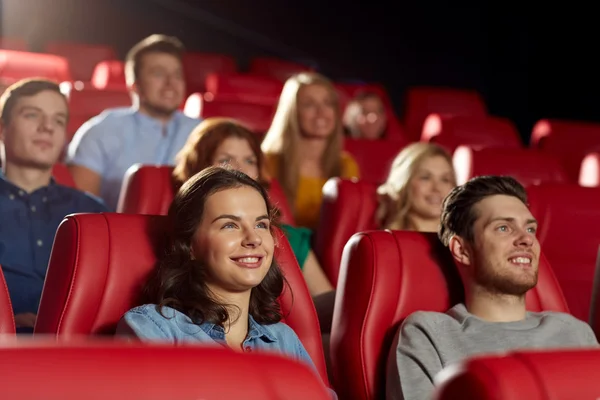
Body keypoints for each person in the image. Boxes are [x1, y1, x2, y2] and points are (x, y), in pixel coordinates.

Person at [116, 167, 335, 397]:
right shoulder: (153, 329)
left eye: (261, 224)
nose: (253, 239)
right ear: (190, 245)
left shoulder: (283, 339)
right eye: (229, 225)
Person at [386, 175, 599, 400]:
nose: (526, 240)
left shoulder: (575, 333)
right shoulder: (428, 334)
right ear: (462, 250)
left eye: (530, 229)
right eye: (504, 228)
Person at [172, 117, 333, 297]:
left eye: (250, 161)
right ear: (199, 167)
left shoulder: (289, 239)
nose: (241, 169)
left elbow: (325, 298)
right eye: (226, 159)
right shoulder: (182, 234)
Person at [0, 79, 107, 332]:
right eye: (32, 115)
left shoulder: (93, 213)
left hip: (77, 349)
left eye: (58, 120)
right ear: (3, 129)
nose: (47, 127)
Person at [66, 34, 200, 210]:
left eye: (177, 74)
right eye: (158, 73)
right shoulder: (101, 130)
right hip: (116, 233)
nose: (171, 83)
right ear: (135, 85)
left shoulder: (202, 132)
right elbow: (78, 209)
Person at [261, 72, 359, 230]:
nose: (321, 112)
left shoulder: (346, 165)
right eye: (309, 104)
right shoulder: (269, 161)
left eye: (328, 103)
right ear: (292, 113)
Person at [376, 142, 456, 232]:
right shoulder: (384, 241)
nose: (437, 188)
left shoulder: (465, 242)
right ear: (404, 183)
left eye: (445, 179)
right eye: (425, 178)